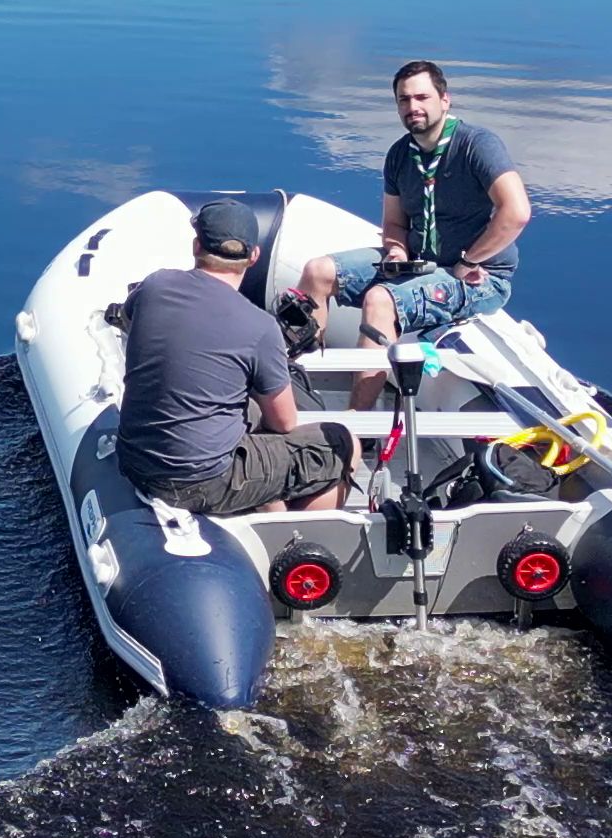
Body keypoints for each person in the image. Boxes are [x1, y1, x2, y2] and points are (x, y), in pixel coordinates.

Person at [118, 198, 356, 515]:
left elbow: (132, 320)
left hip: (135, 462)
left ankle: (271, 509)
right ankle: (293, 540)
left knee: (252, 414)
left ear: (196, 245)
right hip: (201, 482)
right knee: (343, 442)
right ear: (254, 256)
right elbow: (285, 422)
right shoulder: (259, 327)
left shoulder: (154, 286)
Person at [289, 60, 531, 361]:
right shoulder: (400, 155)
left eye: (422, 97)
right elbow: (393, 222)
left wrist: (469, 260)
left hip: (480, 277)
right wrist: (396, 252)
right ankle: (306, 372)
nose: (412, 106)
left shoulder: (476, 145)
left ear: (445, 100)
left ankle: (359, 410)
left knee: (381, 299)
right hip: (421, 262)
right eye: (404, 99)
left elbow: (517, 212)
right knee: (318, 271)